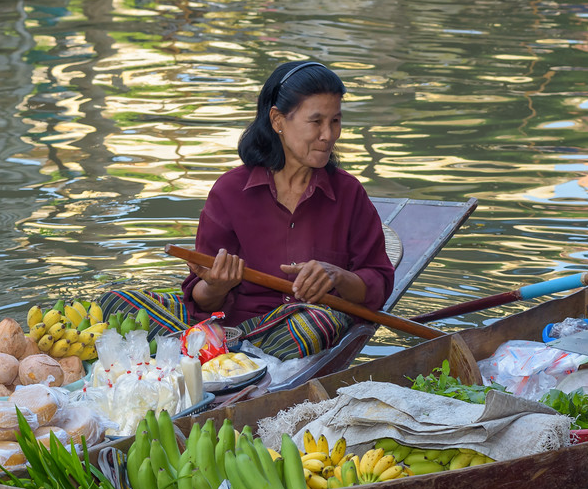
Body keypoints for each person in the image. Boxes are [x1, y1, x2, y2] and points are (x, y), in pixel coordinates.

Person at [100, 61, 395, 359]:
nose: (328, 135)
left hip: (298, 327)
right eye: (316, 122)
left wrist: (338, 277)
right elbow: (199, 300)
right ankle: (228, 352)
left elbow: (379, 285)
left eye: (335, 121)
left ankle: (209, 352)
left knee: (317, 323)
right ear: (278, 120)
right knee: (115, 302)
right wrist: (216, 285)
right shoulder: (230, 191)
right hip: (228, 324)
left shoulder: (348, 193)